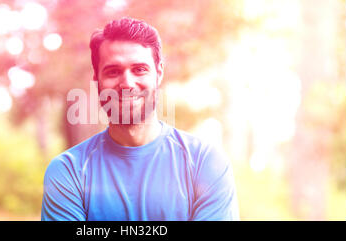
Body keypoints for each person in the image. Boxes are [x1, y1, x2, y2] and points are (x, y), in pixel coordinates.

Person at [41, 17, 239, 221]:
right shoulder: (68, 172)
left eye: (139, 69)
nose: (127, 83)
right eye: (113, 71)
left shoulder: (204, 163)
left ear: (159, 72)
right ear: (97, 78)